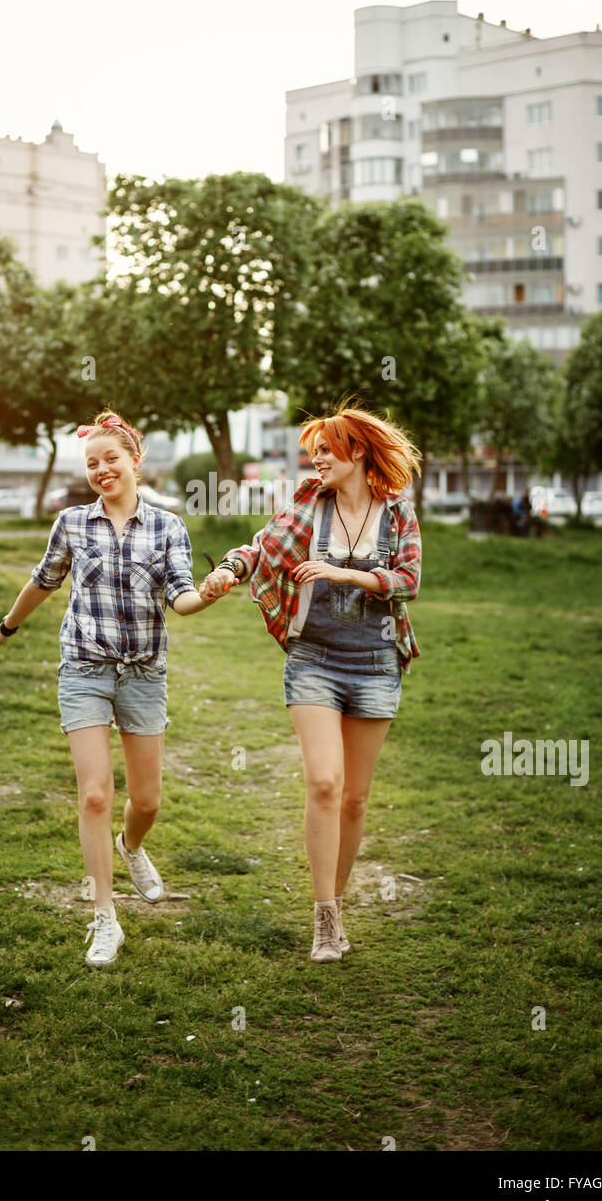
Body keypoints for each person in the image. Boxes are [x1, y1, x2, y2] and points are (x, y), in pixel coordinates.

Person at [0, 410, 219, 969]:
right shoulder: (71, 523)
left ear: (135, 461)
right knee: (94, 794)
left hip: (143, 673)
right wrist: (6, 626)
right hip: (83, 667)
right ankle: (105, 919)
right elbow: (44, 579)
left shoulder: (168, 528)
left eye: (111, 458)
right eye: (92, 463)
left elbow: (181, 596)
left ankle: (130, 846)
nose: (102, 469)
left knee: (148, 800)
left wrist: (208, 593)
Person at [200, 404, 422, 965]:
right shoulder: (308, 506)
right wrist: (229, 570)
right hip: (314, 661)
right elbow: (260, 547)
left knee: (354, 798)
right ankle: (324, 918)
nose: (317, 457)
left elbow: (408, 582)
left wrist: (344, 572)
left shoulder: (398, 516)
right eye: (314, 449)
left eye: (328, 448)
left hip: (376, 663)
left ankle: (339, 904)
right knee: (324, 783)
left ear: (359, 452)